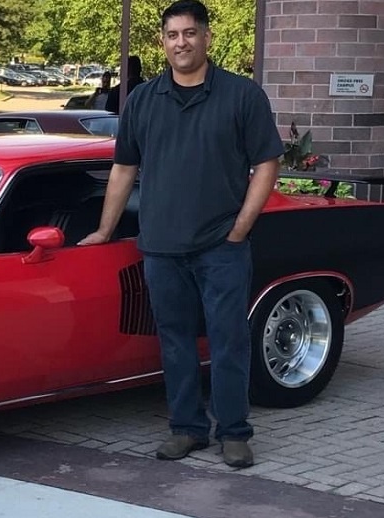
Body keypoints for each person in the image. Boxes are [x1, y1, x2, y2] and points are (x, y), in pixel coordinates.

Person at [78, 0, 284, 468]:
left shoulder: (241, 95)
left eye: (190, 33)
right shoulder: (143, 100)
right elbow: (123, 167)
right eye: (173, 35)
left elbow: (267, 163)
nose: (181, 43)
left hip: (221, 247)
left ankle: (234, 432)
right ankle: (187, 428)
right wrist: (104, 230)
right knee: (174, 343)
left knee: (229, 341)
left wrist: (240, 228)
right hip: (162, 248)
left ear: (206, 37)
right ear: (162, 42)